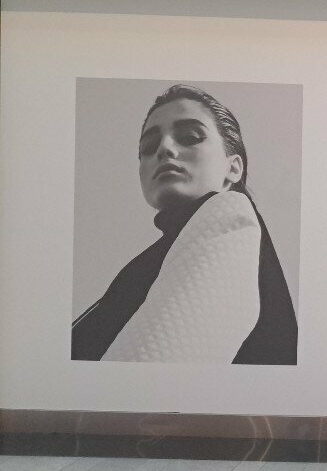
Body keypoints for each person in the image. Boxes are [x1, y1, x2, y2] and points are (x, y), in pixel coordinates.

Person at [72, 84, 298, 364]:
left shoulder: (227, 215)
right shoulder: (155, 260)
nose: (164, 149)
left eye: (190, 137)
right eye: (148, 147)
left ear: (233, 167)